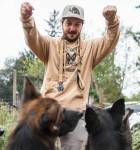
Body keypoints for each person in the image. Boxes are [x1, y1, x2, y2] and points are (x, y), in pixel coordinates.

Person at [20, 2, 120, 150]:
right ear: (62, 23)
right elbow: (32, 38)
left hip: (76, 112)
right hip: (49, 110)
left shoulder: (90, 48)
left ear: (82, 25)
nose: (72, 28)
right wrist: (27, 19)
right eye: (68, 23)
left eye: (77, 24)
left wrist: (112, 22)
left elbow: (110, 40)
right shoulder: (49, 45)